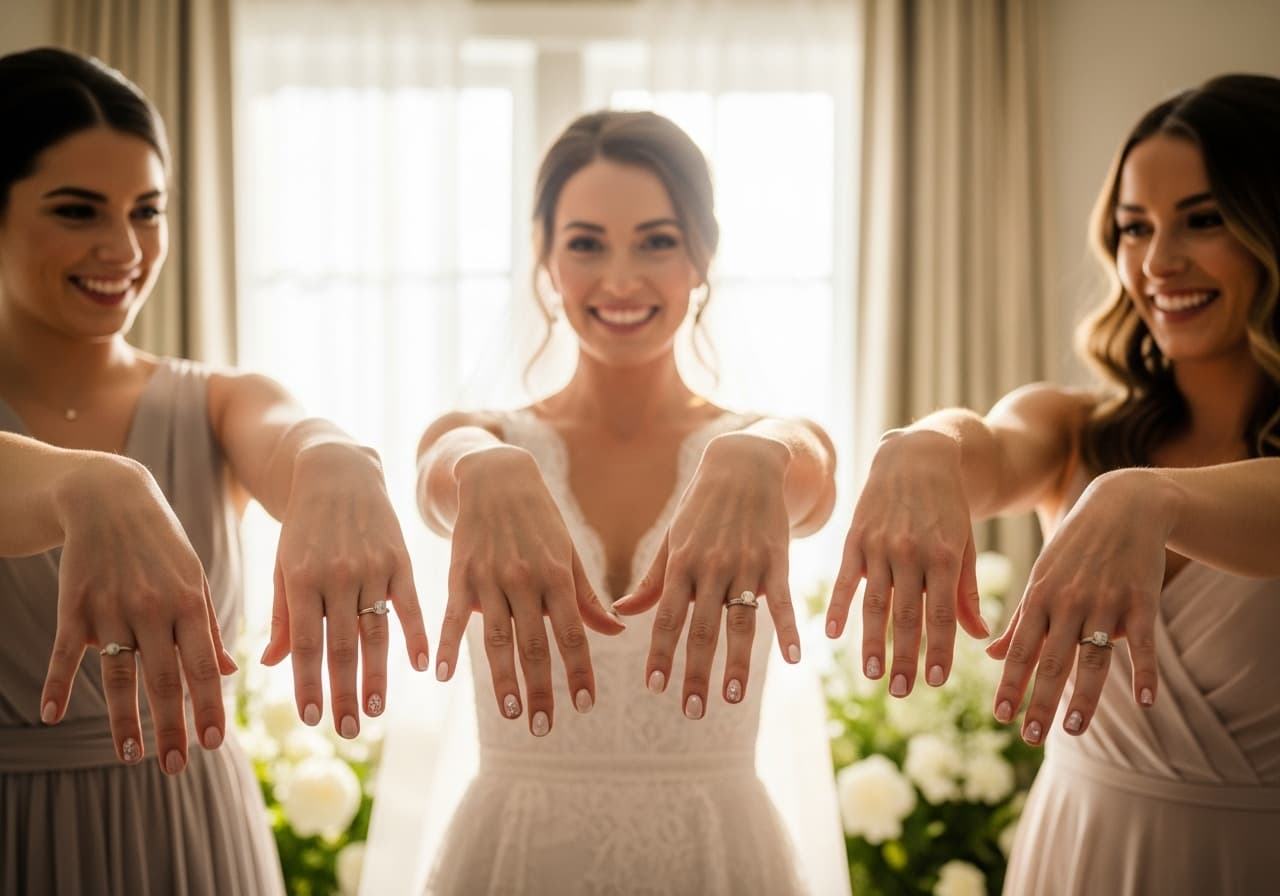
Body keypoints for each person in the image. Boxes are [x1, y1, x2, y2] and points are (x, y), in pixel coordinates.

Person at [825, 74, 1280, 893]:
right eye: (1133, 228)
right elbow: (993, 448)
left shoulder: (1153, 485)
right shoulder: (1073, 429)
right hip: (1078, 849)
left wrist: (1149, 497)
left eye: (1203, 220)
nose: (1158, 262)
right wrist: (927, 441)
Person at [0, 47, 431, 895]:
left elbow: (284, 430)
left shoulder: (216, 403)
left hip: (195, 835)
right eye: (78, 211)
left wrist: (333, 456)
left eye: (147, 211)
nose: (123, 248)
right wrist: (89, 483)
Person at [393, 109, 842, 894]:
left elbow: (817, 471)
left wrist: (761, 452)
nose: (622, 279)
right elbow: (437, 462)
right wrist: (479, 463)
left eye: (658, 241)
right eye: (587, 243)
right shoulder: (483, 439)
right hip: (517, 854)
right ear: (546, 258)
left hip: (718, 852)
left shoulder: (763, 453)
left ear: (702, 256)